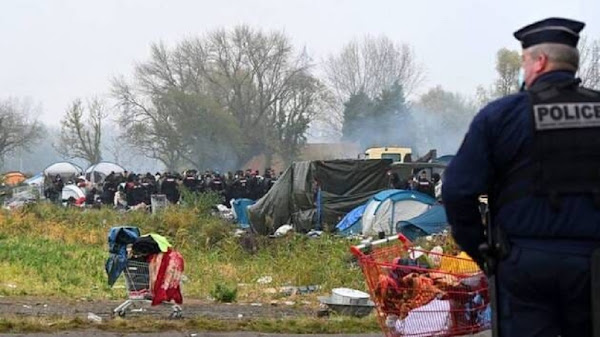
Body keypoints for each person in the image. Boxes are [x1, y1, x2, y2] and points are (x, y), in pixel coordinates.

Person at [442, 17, 599, 337]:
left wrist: (483, 250)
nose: (523, 69)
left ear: (539, 62)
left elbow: (458, 191)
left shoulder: (500, 116)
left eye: (524, 61)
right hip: (594, 266)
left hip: (523, 266)